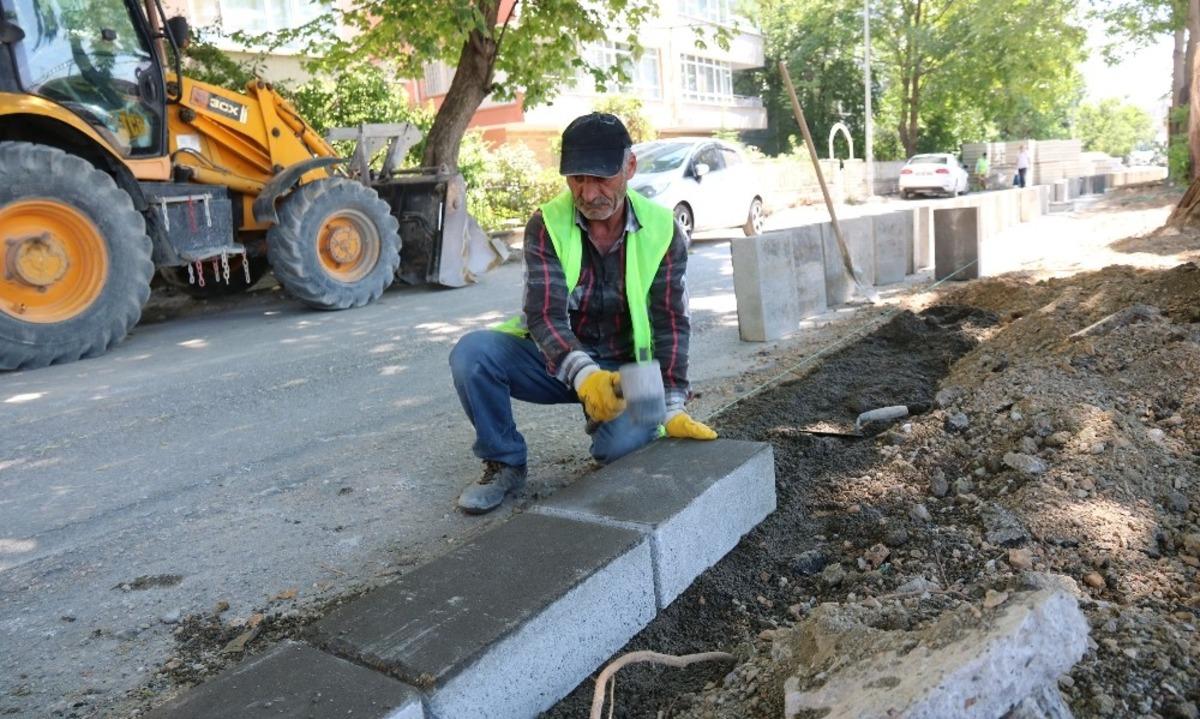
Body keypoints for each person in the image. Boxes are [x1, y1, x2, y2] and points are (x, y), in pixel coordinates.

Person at [448, 112, 717, 515]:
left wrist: (673, 401)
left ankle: (625, 427)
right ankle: (504, 463)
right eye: (577, 179)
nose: (589, 193)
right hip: (557, 360)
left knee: (623, 451)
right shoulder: (547, 223)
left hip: (628, 375)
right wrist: (586, 374)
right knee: (473, 355)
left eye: (601, 178)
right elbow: (542, 314)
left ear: (629, 167)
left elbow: (671, 322)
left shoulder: (663, 229)